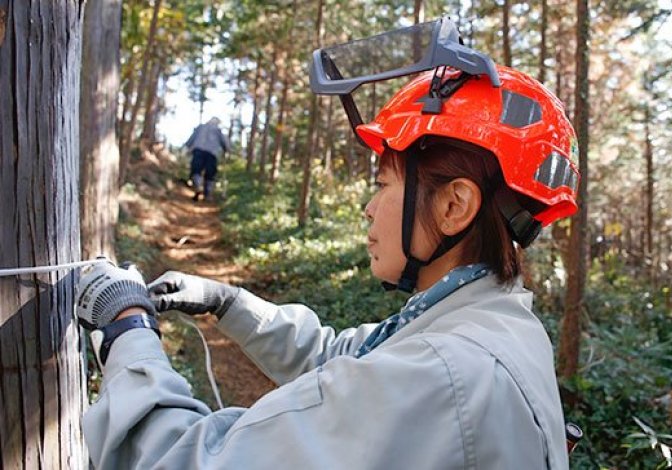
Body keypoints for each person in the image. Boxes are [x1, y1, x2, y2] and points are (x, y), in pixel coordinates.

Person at [77, 21, 579, 469]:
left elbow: (181, 461)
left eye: (383, 185)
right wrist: (226, 302)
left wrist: (128, 328)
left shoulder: (445, 376)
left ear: (455, 207)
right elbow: (341, 355)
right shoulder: (488, 322)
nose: (369, 207)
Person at [184, 117, 230, 201]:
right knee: (210, 174)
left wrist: (187, 146)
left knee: (196, 170)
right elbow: (224, 142)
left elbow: (192, 138)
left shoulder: (201, 127)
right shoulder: (218, 130)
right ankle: (207, 194)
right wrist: (226, 150)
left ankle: (198, 186)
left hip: (198, 150)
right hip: (212, 154)